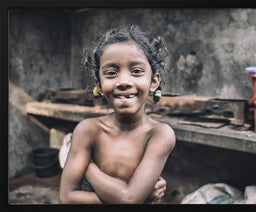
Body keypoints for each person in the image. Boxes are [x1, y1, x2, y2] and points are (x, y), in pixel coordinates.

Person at [59, 25, 176, 204]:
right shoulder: (88, 130)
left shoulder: (160, 134)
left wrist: (88, 168)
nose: (123, 82)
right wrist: (142, 200)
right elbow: (67, 198)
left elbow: (128, 199)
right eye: (111, 73)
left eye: (136, 71)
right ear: (99, 84)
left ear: (154, 81)